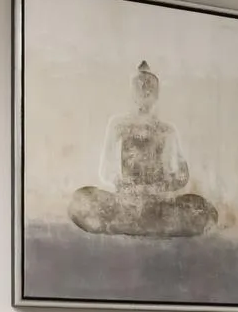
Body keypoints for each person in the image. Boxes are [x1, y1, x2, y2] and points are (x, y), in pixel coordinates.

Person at [68, 60, 218, 238]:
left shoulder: (166, 130)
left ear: (156, 94)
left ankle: (136, 224)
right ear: (132, 93)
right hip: (126, 202)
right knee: (81, 201)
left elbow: (181, 177)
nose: (144, 93)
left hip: (157, 203)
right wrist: (125, 186)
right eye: (140, 88)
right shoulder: (118, 125)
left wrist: (159, 187)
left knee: (202, 211)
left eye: (149, 89)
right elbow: (106, 172)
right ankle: (146, 225)